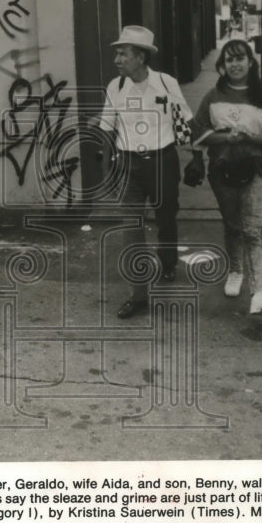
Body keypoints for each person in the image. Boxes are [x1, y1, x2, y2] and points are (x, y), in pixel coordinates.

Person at [96, 25, 195, 320]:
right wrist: (106, 167)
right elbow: (106, 128)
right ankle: (138, 294)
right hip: (128, 165)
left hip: (162, 161)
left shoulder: (166, 83)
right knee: (131, 228)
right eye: (117, 53)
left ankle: (167, 262)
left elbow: (187, 122)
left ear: (140, 57)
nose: (117, 59)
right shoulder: (116, 87)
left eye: (123, 54)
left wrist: (197, 157)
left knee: (166, 218)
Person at [189, 39, 262, 313]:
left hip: (255, 169)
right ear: (222, 65)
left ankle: (260, 292)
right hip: (221, 171)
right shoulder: (213, 96)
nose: (235, 64)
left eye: (240, 58)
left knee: (252, 230)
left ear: (251, 62)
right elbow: (198, 130)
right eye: (229, 59)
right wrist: (225, 137)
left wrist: (252, 137)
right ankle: (235, 271)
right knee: (233, 226)